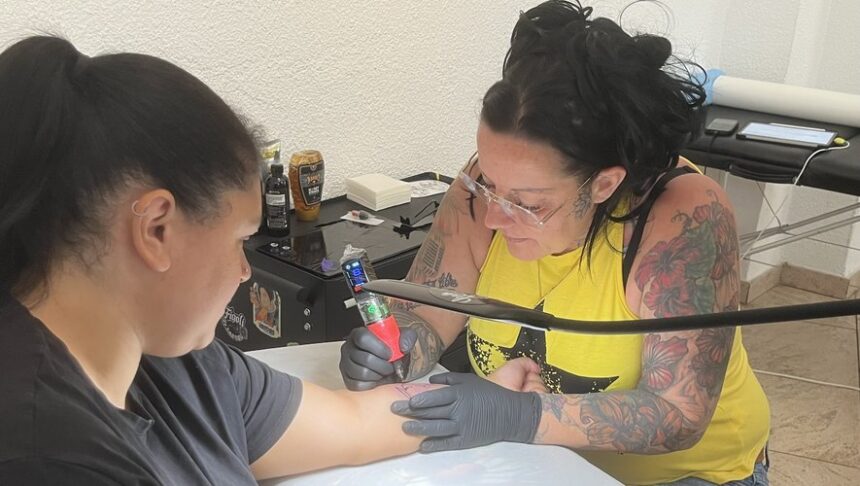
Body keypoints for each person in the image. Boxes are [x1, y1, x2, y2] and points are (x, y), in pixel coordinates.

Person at [0, 35, 536, 485]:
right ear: (157, 230)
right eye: (240, 241)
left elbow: (351, 423)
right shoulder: (46, 456)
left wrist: (494, 401)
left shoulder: (173, 361)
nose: (244, 272)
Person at [340, 1, 771, 484]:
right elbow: (423, 317)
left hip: (691, 473)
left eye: (527, 204)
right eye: (490, 185)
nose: (494, 216)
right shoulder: (484, 191)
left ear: (603, 184)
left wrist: (518, 416)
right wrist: (396, 351)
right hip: (550, 462)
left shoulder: (684, 219)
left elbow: (677, 414)